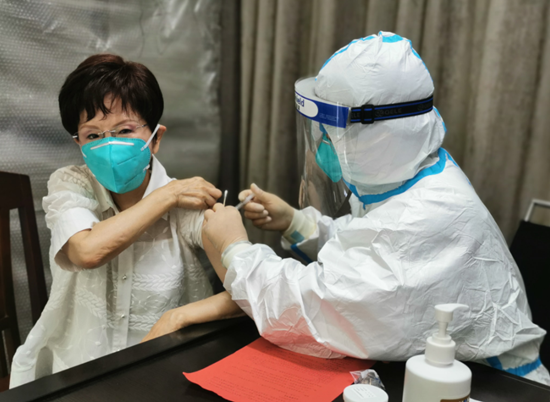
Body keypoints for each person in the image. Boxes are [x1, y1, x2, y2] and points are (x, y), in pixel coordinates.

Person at [203, 32, 550, 384]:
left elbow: (318, 307)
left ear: (382, 135)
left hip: (499, 388)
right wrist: (297, 223)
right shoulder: (417, 173)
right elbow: (369, 245)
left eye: (333, 134)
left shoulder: (430, 213)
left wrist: (235, 249)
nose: (323, 147)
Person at [10, 54, 242, 387]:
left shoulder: (188, 203)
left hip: (161, 372)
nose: (108, 145)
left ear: (156, 138)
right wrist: (166, 196)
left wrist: (177, 317)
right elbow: (86, 251)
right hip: (77, 370)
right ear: (78, 143)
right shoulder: (71, 183)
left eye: (124, 130)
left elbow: (245, 289)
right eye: (92, 135)